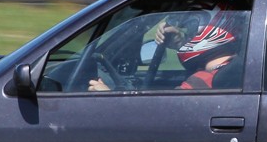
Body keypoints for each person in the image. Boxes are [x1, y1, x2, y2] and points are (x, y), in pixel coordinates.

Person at [87, 8, 241, 91]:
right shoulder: (233, 68)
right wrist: (180, 41)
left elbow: (157, 116)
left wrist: (107, 95)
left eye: (191, 29)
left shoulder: (204, 80)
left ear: (211, 32)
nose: (185, 32)